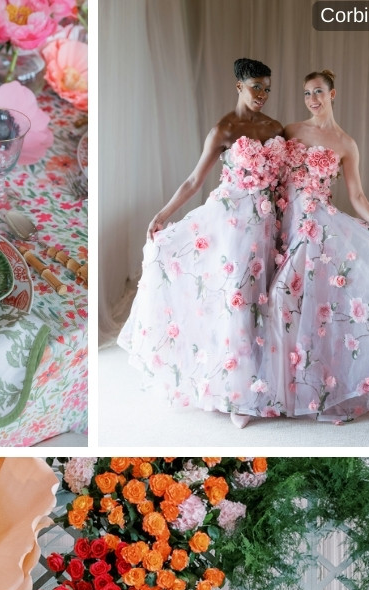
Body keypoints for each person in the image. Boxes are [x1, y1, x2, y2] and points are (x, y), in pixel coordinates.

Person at [117, 58, 286, 428]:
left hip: (266, 224)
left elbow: (283, 181)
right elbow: (194, 181)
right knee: (237, 299)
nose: (262, 95)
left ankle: (261, 380)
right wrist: (163, 214)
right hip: (231, 224)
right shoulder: (224, 129)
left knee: (264, 300)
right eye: (256, 86)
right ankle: (234, 394)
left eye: (267, 88)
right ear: (238, 85)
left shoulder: (275, 128)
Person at [249, 69, 369, 423]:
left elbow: (356, 194)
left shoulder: (346, 143)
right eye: (306, 93)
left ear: (332, 94)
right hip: (284, 222)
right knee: (284, 304)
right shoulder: (291, 131)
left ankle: (316, 390)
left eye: (318, 92)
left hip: (317, 227)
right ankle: (279, 390)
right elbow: (270, 174)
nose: (312, 99)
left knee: (304, 304)